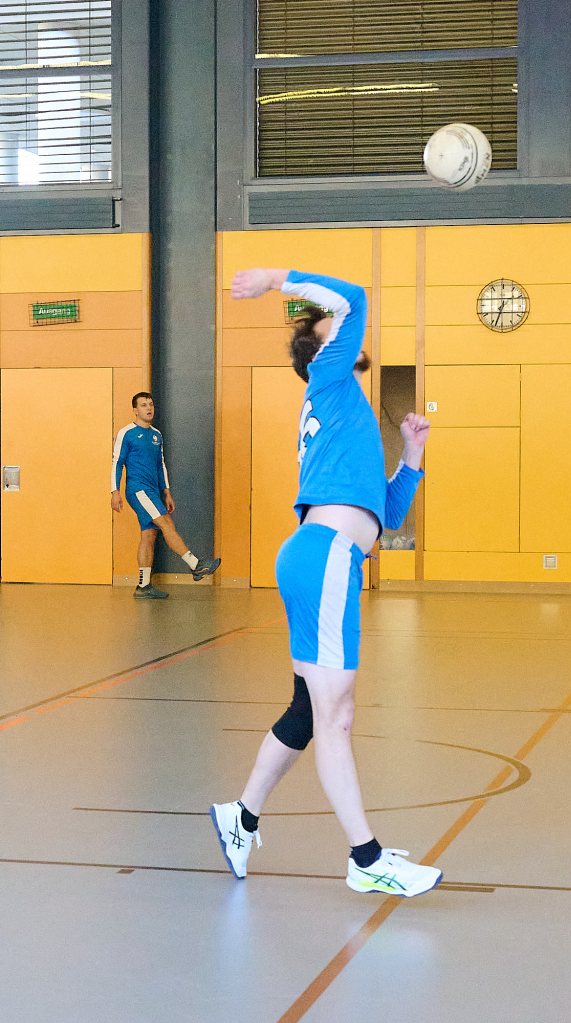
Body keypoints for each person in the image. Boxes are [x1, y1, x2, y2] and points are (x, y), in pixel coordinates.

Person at [210, 269, 442, 898]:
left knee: (309, 711)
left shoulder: (344, 408)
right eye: (331, 325)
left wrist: (411, 455)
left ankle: (241, 817)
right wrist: (275, 279)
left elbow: (385, 516)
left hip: (321, 554)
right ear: (321, 347)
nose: (344, 325)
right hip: (327, 557)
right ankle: (367, 859)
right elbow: (354, 297)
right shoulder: (329, 376)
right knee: (336, 717)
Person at [111, 392, 221, 598]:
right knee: (166, 523)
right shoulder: (127, 433)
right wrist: (114, 491)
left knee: (149, 535)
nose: (148, 408)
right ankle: (196, 565)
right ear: (135, 410)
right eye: (143, 405)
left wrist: (166, 491)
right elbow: (117, 462)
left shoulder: (156, 435)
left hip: (153, 491)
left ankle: (143, 586)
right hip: (138, 489)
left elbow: (160, 465)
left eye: (150, 404)